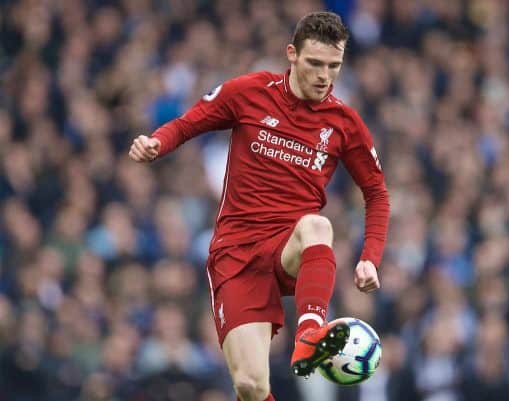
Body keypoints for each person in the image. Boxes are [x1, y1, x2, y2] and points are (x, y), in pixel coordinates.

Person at [128, 11, 389, 401]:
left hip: (288, 245)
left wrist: (370, 257)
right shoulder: (249, 92)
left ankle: (310, 333)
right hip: (236, 252)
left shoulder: (343, 122)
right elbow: (187, 124)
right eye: (315, 63)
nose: (324, 76)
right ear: (291, 54)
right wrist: (156, 143)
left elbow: (377, 193)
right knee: (251, 386)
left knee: (318, 226)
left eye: (334, 66)